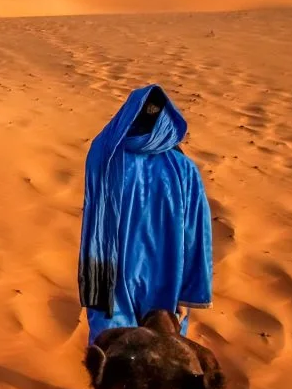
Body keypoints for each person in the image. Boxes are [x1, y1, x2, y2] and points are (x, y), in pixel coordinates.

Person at [78, 84, 213, 345]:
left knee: (114, 348)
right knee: (158, 351)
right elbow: (197, 234)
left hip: (110, 274)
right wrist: (189, 294)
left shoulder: (104, 155)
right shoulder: (184, 168)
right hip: (165, 275)